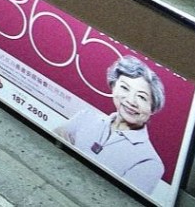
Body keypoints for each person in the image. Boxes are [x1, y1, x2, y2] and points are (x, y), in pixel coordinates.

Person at [54, 55, 167, 195]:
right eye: (125, 88)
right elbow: (55, 142)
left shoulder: (150, 162)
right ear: (113, 87)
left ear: (153, 108)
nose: (131, 101)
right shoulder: (86, 116)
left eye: (142, 97)